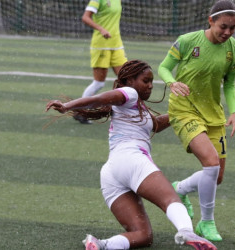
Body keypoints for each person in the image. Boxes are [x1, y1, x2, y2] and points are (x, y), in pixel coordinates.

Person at [45, 60, 217, 250]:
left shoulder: (135, 106)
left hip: (112, 172)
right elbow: (101, 98)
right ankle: (186, 231)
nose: (150, 85)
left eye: (152, 81)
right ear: (129, 80)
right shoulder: (130, 93)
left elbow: (156, 125)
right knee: (171, 200)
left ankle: (101, 245)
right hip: (131, 160)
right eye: (146, 80)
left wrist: (181, 113)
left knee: (143, 235)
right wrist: (68, 106)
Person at [158, 0, 235, 242]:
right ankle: (206, 223)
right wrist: (171, 82)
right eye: (223, 27)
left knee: (216, 176)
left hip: (213, 114)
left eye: (232, 28)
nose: (227, 32)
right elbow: (164, 68)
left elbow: (229, 83)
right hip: (184, 110)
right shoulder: (187, 41)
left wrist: (234, 112)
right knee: (211, 161)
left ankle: (180, 189)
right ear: (211, 21)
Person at [75, 0, 128, 124]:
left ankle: (126, 114)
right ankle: (80, 112)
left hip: (116, 44)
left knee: (126, 79)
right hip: (101, 45)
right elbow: (85, 17)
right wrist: (101, 29)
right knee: (99, 83)